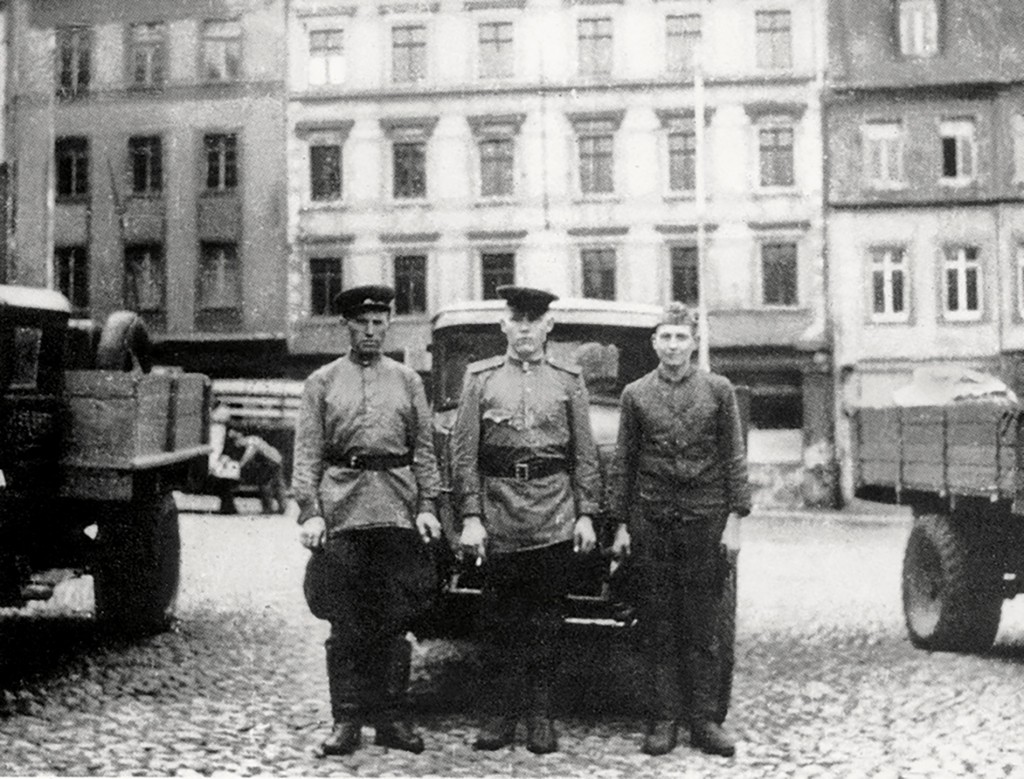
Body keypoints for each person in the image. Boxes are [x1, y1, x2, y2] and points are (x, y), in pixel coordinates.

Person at [292, 284, 443, 757]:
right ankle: (347, 720)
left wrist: (427, 507)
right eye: (363, 323)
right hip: (343, 511)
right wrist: (311, 512)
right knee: (345, 619)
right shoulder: (322, 381)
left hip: (396, 510)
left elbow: (423, 451)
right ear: (348, 326)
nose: (372, 331)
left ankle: (392, 718)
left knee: (394, 619)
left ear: (388, 325)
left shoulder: (408, 381)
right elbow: (307, 453)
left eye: (380, 323)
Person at [451, 285, 601, 754]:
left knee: (546, 623)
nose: (524, 329)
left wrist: (587, 515)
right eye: (516, 319)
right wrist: (471, 517)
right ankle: (498, 716)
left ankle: (540, 715)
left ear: (548, 326)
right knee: (497, 624)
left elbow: (585, 454)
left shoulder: (568, 379)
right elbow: (463, 456)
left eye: (533, 320)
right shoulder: (480, 378)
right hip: (499, 518)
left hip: (554, 515)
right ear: (503, 325)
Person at [609, 302, 751, 758]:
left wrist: (735, 521)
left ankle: (704, 720)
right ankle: (662, 719)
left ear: (694, 342)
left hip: (705, 521)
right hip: (652, 521)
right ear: (654, 343)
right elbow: (624, 463)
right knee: (658, 624)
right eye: (665, 337)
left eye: (681, 337)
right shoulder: (635, 394)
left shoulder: (718, 390)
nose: (673, 345)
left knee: (702, 626)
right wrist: (622, 526)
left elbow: (734, 457)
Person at [226, 429, 287, 514]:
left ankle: (268, 508)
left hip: (270, 461)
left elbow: (249, 454)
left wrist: (240, 465)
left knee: (265, 484)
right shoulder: (253, 439)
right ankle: (282, 507)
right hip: (276, 459)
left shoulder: (251, 441)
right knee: (278, 484)